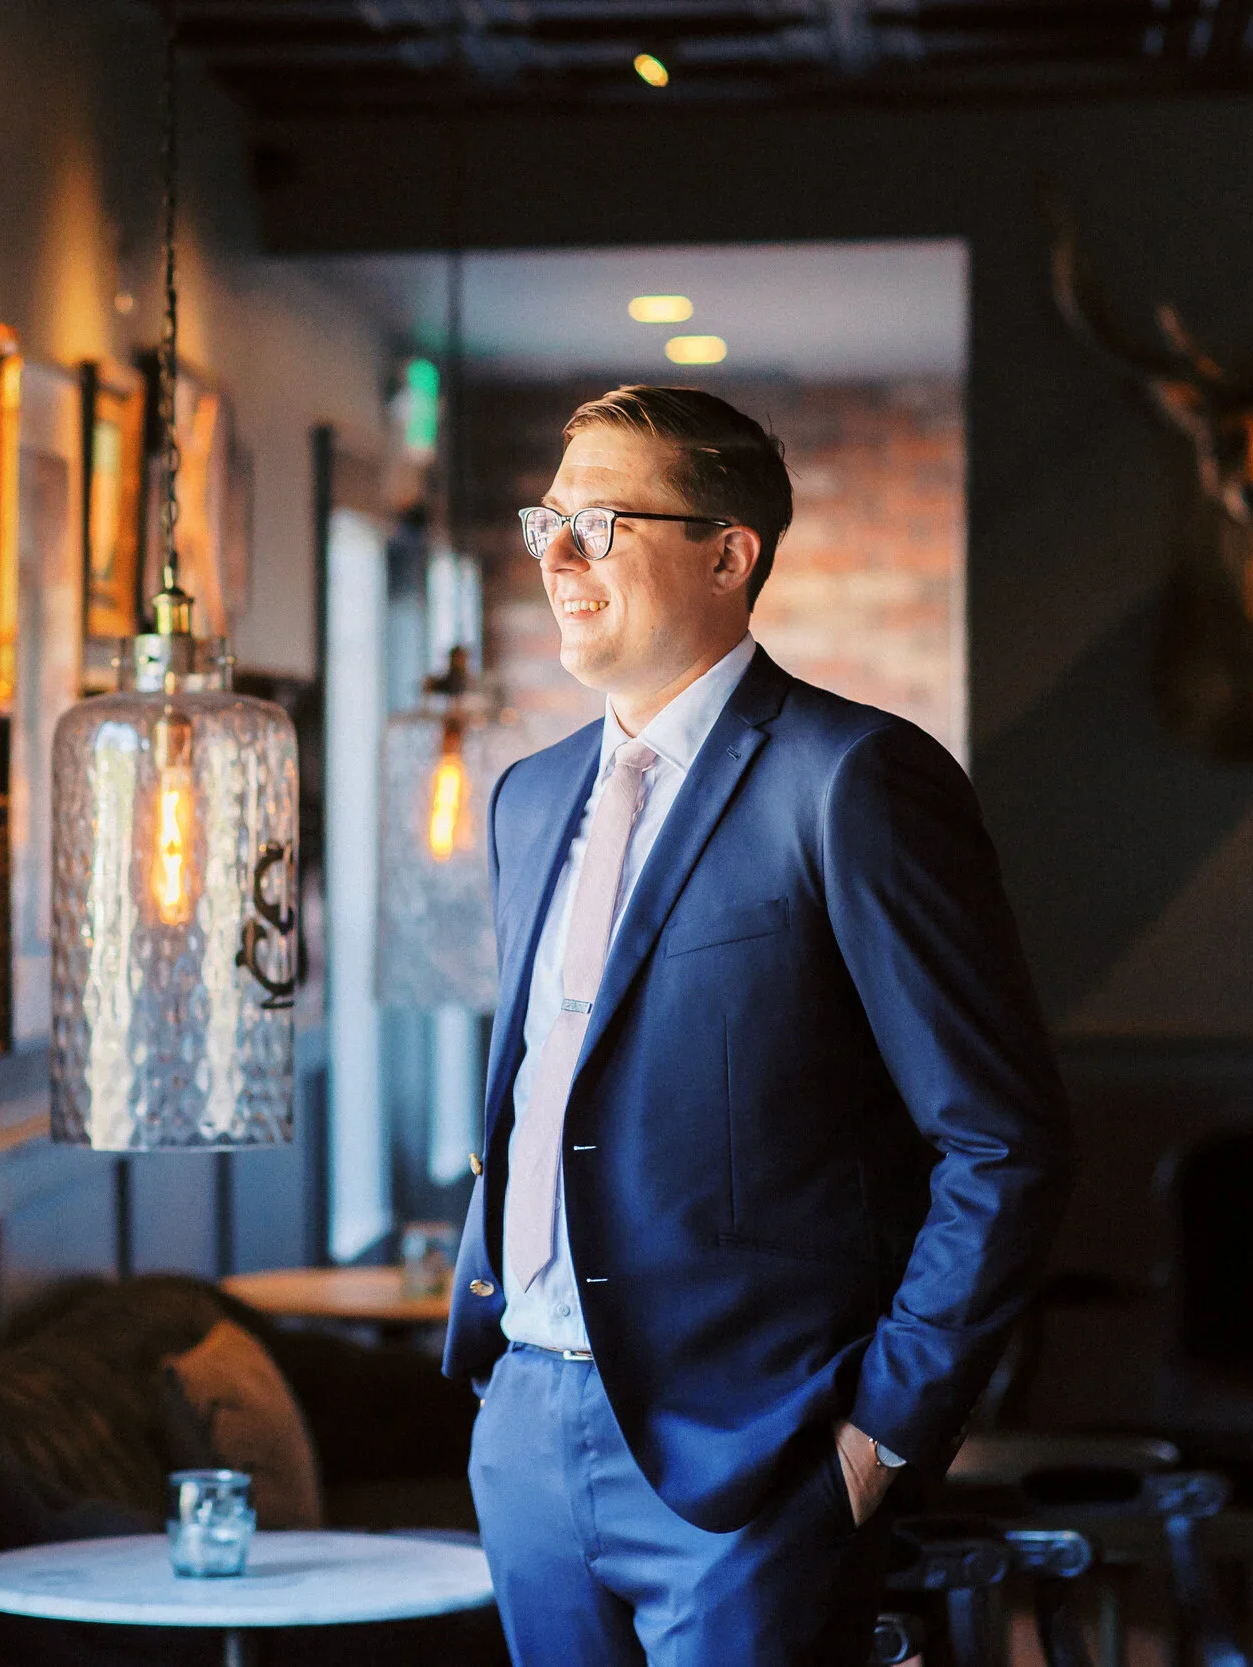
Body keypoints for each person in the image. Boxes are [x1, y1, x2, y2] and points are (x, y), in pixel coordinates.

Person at [444, 386, 1072, 1665]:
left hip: (754, 1461)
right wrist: (501, 1387)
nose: (556, 557)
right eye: (546, 522)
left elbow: (1002, 1142)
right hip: (526, 1427)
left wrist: (878, 1436)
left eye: (598, 524)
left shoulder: (852, 779)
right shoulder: (527, 799)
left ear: (728, 554)